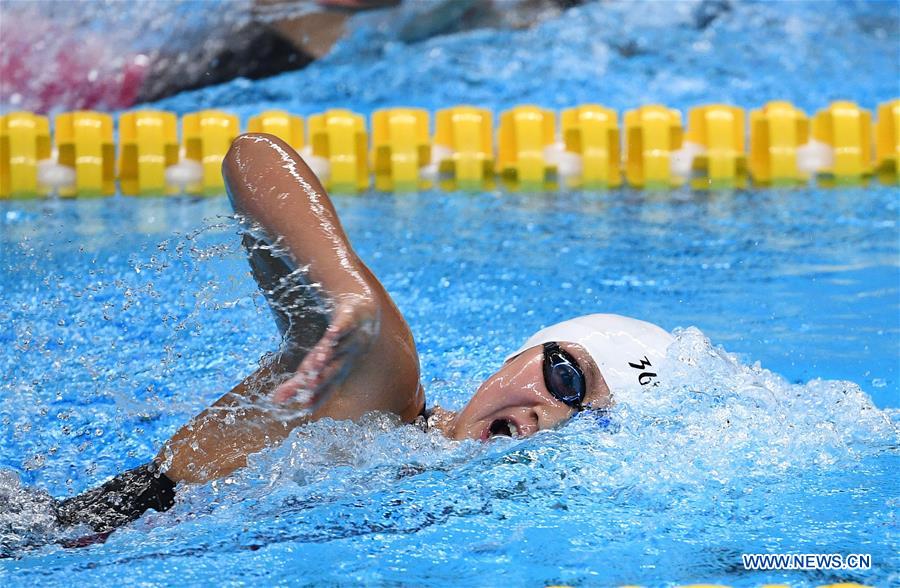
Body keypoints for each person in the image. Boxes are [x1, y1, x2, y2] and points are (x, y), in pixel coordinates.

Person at [53, 133, 673, 536]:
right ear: (520, 355)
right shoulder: (382, 394)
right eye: (565, 377)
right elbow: (253, 156)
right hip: (46, 543)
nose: (554, 417)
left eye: (594, 423)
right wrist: (344, 289)